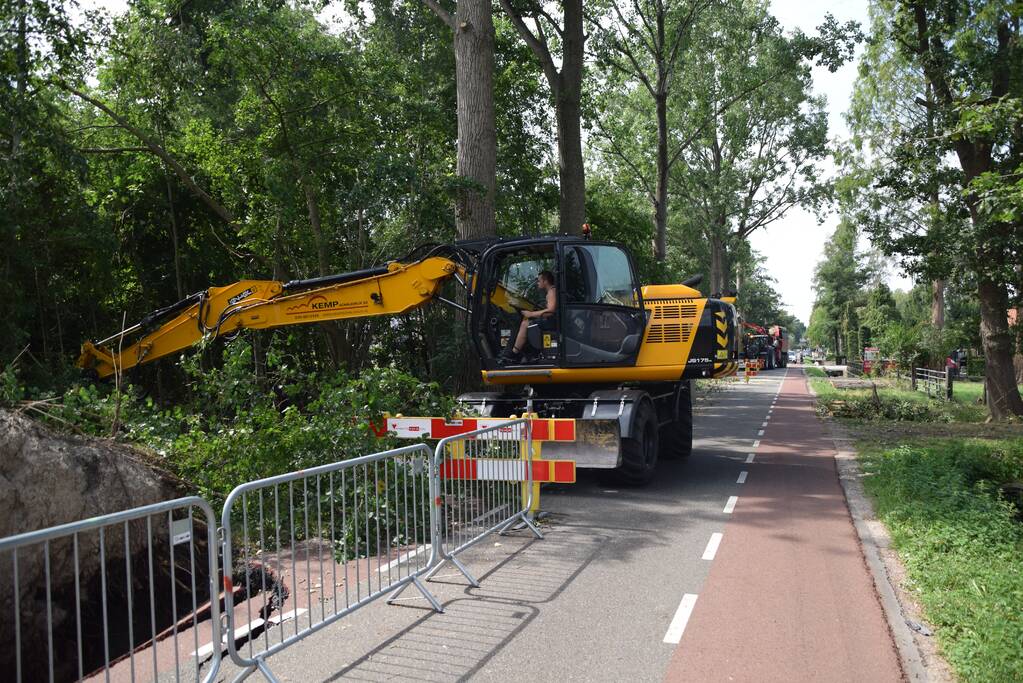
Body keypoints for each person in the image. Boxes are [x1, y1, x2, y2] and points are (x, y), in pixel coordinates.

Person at [500, 270, 557, 365]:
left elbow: (550, 311)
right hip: (551, 321)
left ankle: (514, 354)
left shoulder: (551, 291)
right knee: (527, 322)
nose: (538, 283)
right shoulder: (551, 291)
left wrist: (531, 314)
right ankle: (526, 353)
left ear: (545, 281)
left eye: (539, 281)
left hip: (552, 322)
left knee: (525, 324)